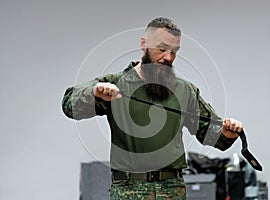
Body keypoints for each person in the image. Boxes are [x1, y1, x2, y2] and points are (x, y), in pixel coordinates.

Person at [62, 17, 243, 200]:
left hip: (171, 191)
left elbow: (211, 134)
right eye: (162, 49)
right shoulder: (116, 85)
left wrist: (228, 132)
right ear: (144, 44)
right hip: (129, 190)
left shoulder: (185, 90)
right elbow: (70, 104)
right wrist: (95, 93)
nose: (168, 57)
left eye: (174, 51)